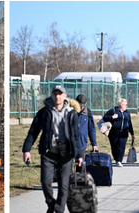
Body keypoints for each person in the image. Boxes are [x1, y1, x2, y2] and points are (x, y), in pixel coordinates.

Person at [22, 85, 83, 213]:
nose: (57, 96)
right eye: (55, 94)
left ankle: (59, 210)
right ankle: (51, 205)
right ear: (52, 95)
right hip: (48, 152)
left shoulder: (71, 113)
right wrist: (26, 150)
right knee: (45, 182)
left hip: (66, 154)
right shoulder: (44, 112)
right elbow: (33, 132)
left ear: (65, 96)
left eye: (60, 94)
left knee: (63, 185)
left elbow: (76, 136)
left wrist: (79, 155)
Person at [102, 97, 135, 166]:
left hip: (124, 133)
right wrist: (112, 117)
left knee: (121, 147)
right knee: (114, 147)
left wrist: (132, 133)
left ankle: (119, 160)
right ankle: (116, 158)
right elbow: (104, 118)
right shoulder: (113, 111)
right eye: (125, 105)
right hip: (114, 133)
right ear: (121, 105)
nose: (126, 106)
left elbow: (130, 123)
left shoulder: (127, 113)